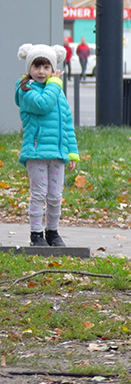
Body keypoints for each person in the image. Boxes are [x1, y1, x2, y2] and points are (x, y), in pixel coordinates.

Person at [14, 44, 79, 247]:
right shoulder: (26, 89)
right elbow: (43, 105)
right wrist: (55, 84)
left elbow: (67, 122)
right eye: (37, 66)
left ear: (52, 69)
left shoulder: (56, 90)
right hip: (36, 151)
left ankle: (52, 233)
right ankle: (36, 235)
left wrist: (72, 152)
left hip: (57, 153)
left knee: (55, 196)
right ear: (29, 69)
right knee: (39, 193)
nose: (41, 72)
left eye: (46, 67)